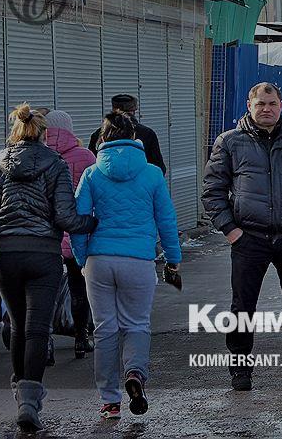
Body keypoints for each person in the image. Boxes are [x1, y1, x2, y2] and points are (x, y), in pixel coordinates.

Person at [0, 104, 98, 433]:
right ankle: (29, 403)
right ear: (43, 134)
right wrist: (93, 223)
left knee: (18, 327)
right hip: (43, 256)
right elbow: (66, 217)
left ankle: (20, 396)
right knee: (38, 330)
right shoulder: (55, 164)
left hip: (6, 257)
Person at [202, 82, 282, 391]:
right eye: (260, 104)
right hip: (249, 238)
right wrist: (231, 230)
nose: (266, 109)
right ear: (249, 106)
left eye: (272, 103)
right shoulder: (230, 142)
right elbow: (212, 190)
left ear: (281, 106)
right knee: (243, 306)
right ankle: (241, 370)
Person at [72, 112, 181, 419]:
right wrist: (173, 258)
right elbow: (166, 220)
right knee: (137, 324)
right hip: (138, 259)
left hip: (100, 260)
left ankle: (109, 400)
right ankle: (135, 373)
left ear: (102, 138)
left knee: (105, 329)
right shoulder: (152, 174)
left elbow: (79, 223)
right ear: (135, 137)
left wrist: (83, 259)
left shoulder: (92, 173)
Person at [44, 110, 96, 359]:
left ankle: (46, 344)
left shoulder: (40, 156)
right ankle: (81, 338)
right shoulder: (85, 156)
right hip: (76, 233)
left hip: (47, 235)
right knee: (78, 289)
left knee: (45, 292)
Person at [88, 94, 166, 175]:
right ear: (134, 110)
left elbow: (91, 165)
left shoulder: (99, 134)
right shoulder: (148, 133)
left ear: (113, 109)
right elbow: (159, 168)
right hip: (142, 182)